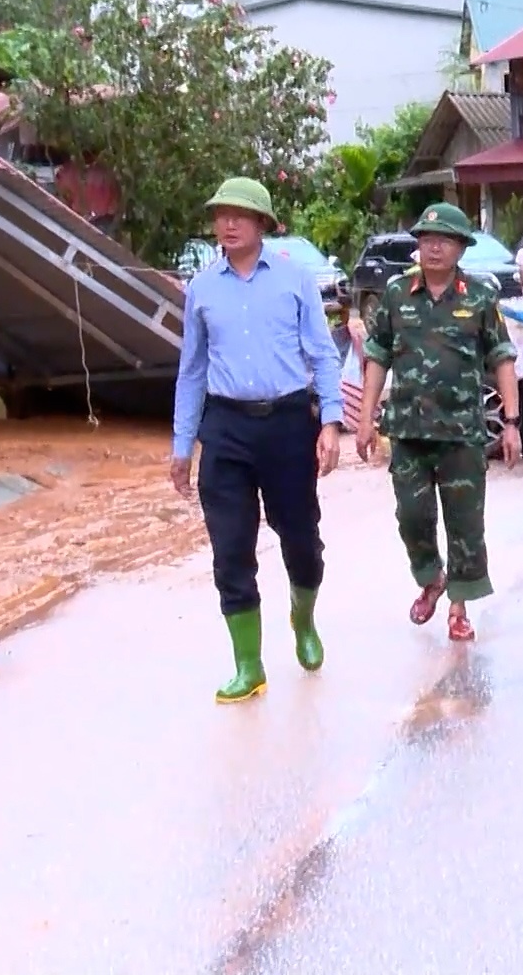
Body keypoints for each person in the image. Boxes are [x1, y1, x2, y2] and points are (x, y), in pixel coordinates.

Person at [172, 177, 344, 704]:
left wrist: (331, 423)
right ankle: (249, 665)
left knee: (301, 539)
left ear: (263, 224)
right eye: (221, 214)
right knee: (230, 547)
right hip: (226, 427)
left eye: (240, 215)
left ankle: (303, 617)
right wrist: (183, 446)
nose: (228, 224)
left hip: (288, 423)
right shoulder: (202, 288)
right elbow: (192, 370)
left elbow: (322, 355)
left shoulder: (294, 281)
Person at [358, 203, 522, 642]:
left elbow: (502, 357)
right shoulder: (396, 294)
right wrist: (365, 419)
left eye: (443, 239)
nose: (433, 246)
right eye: (426, 238)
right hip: (408, 431)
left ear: (460, 248)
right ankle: (431, 577)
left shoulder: (481, 296)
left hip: (462, 433)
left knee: (465, 523)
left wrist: (511, 421)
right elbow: (376, 355)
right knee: (412, 516)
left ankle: (458, 607)